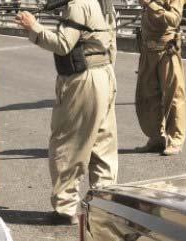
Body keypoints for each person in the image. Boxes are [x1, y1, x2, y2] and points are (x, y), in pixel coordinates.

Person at [16, 0, 118, 225]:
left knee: (67, 143)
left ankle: (65, 208)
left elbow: (63, 44)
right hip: (103, 74)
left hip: (84, 79)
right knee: (102, 145)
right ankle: (106, 203)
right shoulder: (94, 3)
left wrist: (34, 27)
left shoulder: (77, 5)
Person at [134, 0, 186, 156]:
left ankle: (175, 140)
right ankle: (156, 138)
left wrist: (150, 4)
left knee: (174, 97)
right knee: (148, 96)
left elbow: (174, 19)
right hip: (147, 49)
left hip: (167, 51)